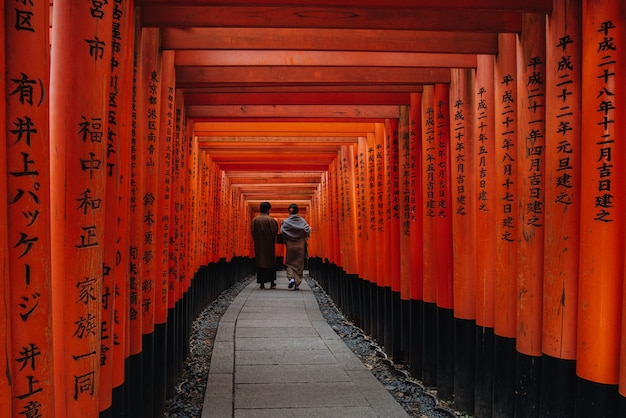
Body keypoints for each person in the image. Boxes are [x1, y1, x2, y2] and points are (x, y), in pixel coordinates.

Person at [280, 203, 311, 291]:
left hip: (290, 244)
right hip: (300, 244)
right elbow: (308, 229)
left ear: (289, 211)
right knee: (299, 264)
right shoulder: (302, 221)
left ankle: (291, 278)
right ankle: (297, 283)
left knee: (290, 263)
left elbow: (282, 231)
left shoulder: (286, 222)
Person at [251, 201, 279, 289]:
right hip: (269, 246)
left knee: (260, 263)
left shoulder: (255, 220)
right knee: (270, 263)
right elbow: (275, 232)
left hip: (259, 246)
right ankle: (272, 282)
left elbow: (253, 232)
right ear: (268, 210)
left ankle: (262, 283)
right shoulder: (271, 220)